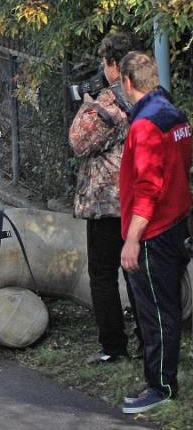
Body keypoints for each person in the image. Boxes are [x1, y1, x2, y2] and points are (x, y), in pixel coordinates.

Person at [118, 51, 192, 414]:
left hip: (153, 233)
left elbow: (148, 188)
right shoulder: (174, 115)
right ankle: (158, 379)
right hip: (177, 224)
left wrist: (133, 238)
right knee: (166, 309)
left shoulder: (145, 125)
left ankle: (160, 386)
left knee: (157, 313)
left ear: (127, 82)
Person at [68, 32, 141, 365]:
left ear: (114, 66)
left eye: (104, 62)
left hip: (107, 203)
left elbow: (79, 142)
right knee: (138, 275)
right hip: (139, 202)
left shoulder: (108, 105)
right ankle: (147, 340)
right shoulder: (146, 98)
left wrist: (87, 103)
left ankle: (114, 347)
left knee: (102, 276)